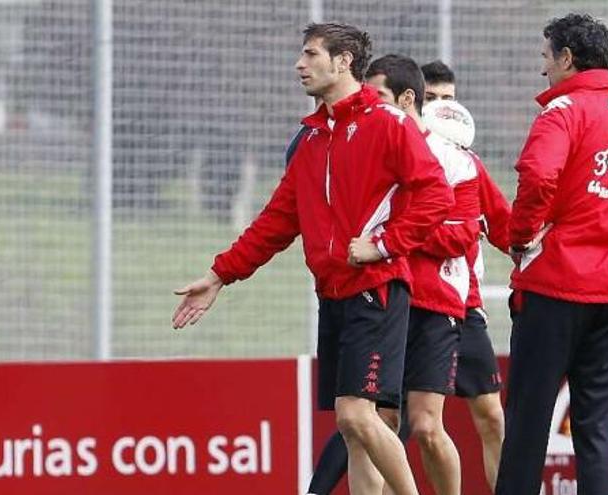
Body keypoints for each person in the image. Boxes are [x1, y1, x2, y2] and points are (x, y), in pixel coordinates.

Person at [173, 22, 454, 495]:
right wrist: (220, 274)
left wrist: (384, 243)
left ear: (343, 62)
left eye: (310, 54)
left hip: (376, 290)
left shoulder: (387, 123)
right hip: (335, 294)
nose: (299, 65)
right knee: (354, 430)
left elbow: (436, 196)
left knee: (356, 415)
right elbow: (277, 221)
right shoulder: (309, 140)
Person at [496, 13, 608, 494]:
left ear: (567, 58)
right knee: (597, 432)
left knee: (527, 427)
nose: (544, 70)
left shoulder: (561, 114)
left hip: (554, 288)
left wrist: (521, 237)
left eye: (546, 57)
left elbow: (538, 176)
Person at [366, 54, 480, 495]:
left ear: (405, 98)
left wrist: (398, 236)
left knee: (428, 425)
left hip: (437, 303)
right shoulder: (371, 147)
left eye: (377, 97)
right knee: (375, 422)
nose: (368, 105)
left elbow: (463, 234)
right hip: (384, 297)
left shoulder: (455, 158)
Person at [421, 61, 509, 493]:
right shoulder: (401, 156)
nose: (441, 110)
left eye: (449, 101)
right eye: (431, 99)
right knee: (399, 424)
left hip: (463, 305)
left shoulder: (468, 164)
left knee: (491, 415)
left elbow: (507, 227)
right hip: (411, 304)